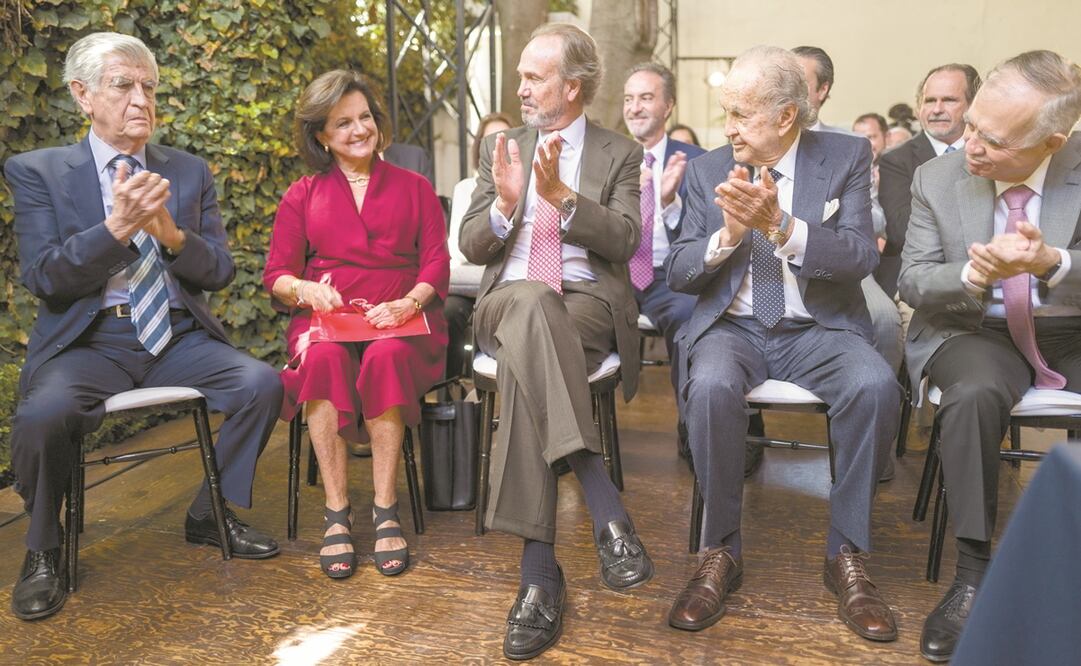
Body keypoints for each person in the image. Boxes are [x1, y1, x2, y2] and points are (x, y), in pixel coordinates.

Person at [4, 32, 283, 621]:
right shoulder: (38, 171)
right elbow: (46, 277)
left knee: (262, 385)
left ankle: (210, 513)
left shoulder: (187, 170)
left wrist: (172, 236)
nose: (141, 100)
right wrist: (117, 229)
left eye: (149, 87)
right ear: (82, 96)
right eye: (123, 85)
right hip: (91, 341)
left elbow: (221, 271)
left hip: (175, 337)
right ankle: (44, 548)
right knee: (42, 415)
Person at [664, 45, 900, 642]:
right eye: (726, 112)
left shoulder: (845, 155)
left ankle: (846, 554)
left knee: (874, 385)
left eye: (741, 114)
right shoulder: (705, 168)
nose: (729, 127)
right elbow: (679, 273)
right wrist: (728, 234)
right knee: (712, 386)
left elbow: (859, 257)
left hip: (816, 328)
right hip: (734, 328)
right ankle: (718, 551)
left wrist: (785, 229)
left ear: (787, 115)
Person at [459, 23, 652, 660]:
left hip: (588, 305)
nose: (521, 87)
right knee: (532, 307)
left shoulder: (619, 153)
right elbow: (470, 244)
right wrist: (506, 207)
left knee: (526, 361)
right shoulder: (504, 147)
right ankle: (602, 498)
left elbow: (625, 240)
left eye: (533, 77)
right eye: (521, 76)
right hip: (507, 300)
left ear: (571, 87)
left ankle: (539, 578)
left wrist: (564, 200)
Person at [899, 50, 1081, 662]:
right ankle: (973, 574)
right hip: (976, 331)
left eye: (993, 140)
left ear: (1052, 140)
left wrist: (1051, 263)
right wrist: (976, 271)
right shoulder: (937, 176)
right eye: (971, 125)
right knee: (973, 394)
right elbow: (915, 282)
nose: (971, 146)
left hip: (1072, 332)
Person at [263, 70, 449, 580]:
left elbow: (437, 264)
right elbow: (276, 274)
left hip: (402, 319)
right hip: (329, 319)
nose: (358, 129)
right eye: (342, 123)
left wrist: (408, 304)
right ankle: (337, 511)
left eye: (364, 117)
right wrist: (306, 289)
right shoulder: (301, 194)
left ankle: (387, 508)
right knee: (322, 359)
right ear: (321, 135)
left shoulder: (415, 187)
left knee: (386, 357)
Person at [795, 48, 903, 381]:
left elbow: (877, 218)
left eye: (799, 81)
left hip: (843, 261)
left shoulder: (850, 145)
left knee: (885, 319)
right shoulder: (757, 142)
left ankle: (878, 413)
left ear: (822, 90)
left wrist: (844, 216)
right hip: (775, 259)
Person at [879, 63, 981, 297]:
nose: (937, 109)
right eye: (929, 101)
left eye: (949, 100)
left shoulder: (988, 154)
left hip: (985, 274)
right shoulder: (896, 161)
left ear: (973, 105)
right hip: (913, 275)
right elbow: (901, 230)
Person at [445, 112, 513, 379]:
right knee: (448, 313)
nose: (497, 147)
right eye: (489, 140)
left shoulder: (526, 186)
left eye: (504, 139)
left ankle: (492, 389)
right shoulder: (466, 189)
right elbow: (458, 249)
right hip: (470, 283)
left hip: (507, 283)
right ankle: (449, 396)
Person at [852, 112, 889, 253]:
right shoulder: (852, 172)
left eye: (871, 137)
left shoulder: (899, 168)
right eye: (857, 138)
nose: (864, 144)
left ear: (886, 137)